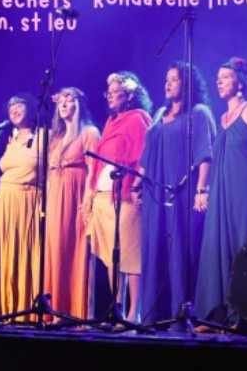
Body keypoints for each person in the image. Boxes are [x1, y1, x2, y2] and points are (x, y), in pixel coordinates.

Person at [138, 62, 215, 324]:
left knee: (181, 248)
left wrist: (202, 189)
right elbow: (147, 155)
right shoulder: (160, 113)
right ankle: (153, 315)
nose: (168, 84)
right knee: (155, 247)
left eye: (174, 79)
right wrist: (138, 184)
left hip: (183, 192)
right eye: (166, 79)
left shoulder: (198, 113)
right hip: (155, 191)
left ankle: (180, 313)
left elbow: (206, 154)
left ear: (187, 83)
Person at [195, 57, 247, 321]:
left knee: (242, 244)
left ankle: (245, 315)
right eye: (218, 78)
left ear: (240, 83)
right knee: (218, 246)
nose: (219, 82)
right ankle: (219, 314)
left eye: (225, 77)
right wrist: (204, 190)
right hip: (221, 190)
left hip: (244, 189)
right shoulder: (223, 117)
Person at [86, 72, 151, 324]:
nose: (110, 96)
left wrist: (136, 185)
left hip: (124, 196)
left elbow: (144, 155)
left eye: (116, 92)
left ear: (130, 95)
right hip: (104, 196)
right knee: (112, 256)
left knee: (130, 255)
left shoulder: (138, 118)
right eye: (109, 92)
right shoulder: (110, 121)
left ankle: (135, 312)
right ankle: (118, 310)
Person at [43, 87, 99, 319]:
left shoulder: (89, 133)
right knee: (55, 250)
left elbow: (94, 170)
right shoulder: (55, 138)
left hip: (77, 195)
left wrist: (88, 199)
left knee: (74, 250)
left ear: (79, 104)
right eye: (61, 101)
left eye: (69, 99)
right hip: (55, 197)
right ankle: (56, 309)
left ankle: (76, 311)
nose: (64, 104)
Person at [0, 94, 42, 318]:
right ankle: (4, 307)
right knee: (5, 252)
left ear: (31, 108)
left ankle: (27, 308)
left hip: (29, 200)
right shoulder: (5, 137)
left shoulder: (42, 135)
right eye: (11, 107)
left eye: (19, 105)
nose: (14, 110)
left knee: (27, 252)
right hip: (5, 200)